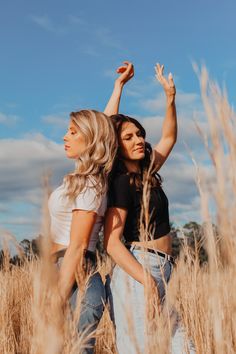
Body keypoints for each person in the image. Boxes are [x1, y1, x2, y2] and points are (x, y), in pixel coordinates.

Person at [103, 62, 177, 353]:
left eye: (140, 134)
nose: (139, 139)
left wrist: (170, 100)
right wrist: (118, 86)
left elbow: (169, 138)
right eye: (129, 137)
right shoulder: (119, 180)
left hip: (162, 269)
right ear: (116, 146)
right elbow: (110, 242)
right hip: (140, 270)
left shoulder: (146, 172)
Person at [48, 110, 117, 354]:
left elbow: (77, 246)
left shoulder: (90, 184)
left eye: (73, 132)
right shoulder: (80, 178)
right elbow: (104, 121)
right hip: (64, 272)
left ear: (90, 139)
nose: (65, 136)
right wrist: (118, 86)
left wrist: (56, 298)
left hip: (76, 276)